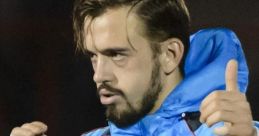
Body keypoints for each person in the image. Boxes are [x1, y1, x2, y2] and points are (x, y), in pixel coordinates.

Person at [10, 0, 259, 136]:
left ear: (170, 55)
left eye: (117, 54)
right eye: (94, 56)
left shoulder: (229, 132)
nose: (99, 75)